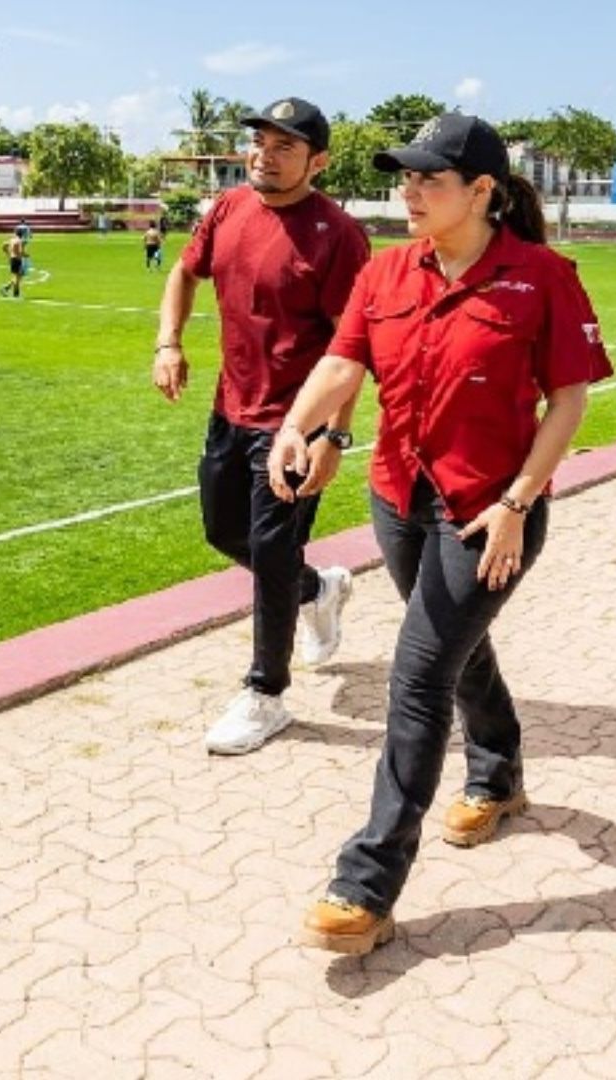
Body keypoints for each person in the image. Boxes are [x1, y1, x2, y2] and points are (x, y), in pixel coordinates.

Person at [280, 114, 611, 953]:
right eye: (406, 177)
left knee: (419, 674)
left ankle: (368, 883)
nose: (410, 191)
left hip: (490, 510)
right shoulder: (387, 272)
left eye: (430, 179)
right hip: (399, 496)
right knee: (455, 645)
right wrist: (298, 425)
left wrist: (519, 503)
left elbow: (568, 400)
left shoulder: (542, 278)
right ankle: (498, 770)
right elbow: (343, 363)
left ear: (481, 191)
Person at [153, 95, 372, 755]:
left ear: (318, 161)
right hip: (230, 408)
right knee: (224, 532)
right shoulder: (227, 209)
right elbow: (183, 274)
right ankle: (318, 589)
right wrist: (169, 343)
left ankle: (265, 694)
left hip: (294, 426)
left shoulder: (337, 235)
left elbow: (351, 346)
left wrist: (332, 435)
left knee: (272, 554)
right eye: (260, 143)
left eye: (284, 147)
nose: (265, 156)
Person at [0, 229, 26, 298]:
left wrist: (7, 253)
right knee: (17, 277)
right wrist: (26, 255)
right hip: (17, 259)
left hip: (12, 259)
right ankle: (15, 294)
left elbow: (4, 245)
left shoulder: (12, 240)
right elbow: (21, 251)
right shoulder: (20, 241)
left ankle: (6, 288)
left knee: (19, 276)